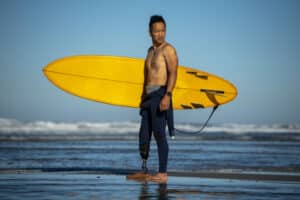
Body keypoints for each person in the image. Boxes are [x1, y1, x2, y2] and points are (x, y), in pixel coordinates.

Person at [128, 15, 178, 183]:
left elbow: (173, 73)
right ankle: (145, 169)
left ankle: (163, 173)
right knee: (144, 135)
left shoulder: (168, 50)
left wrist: (167, 95)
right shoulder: (150, 52)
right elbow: (146, 76)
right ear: (150, 32)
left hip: (160, 94)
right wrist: (142, 97)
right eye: (157, 31)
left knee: (159, 135)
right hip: (148, 97)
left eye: (163, 30)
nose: (160, 34)